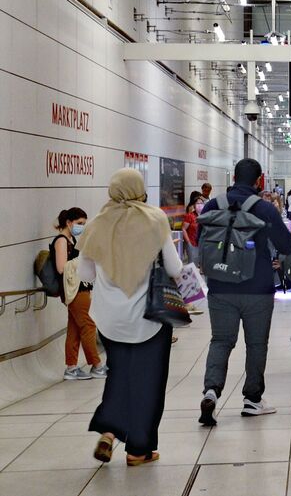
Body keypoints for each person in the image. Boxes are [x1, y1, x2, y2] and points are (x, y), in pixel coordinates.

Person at [76, 168, 182, 467]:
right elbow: (173, 268)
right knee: (148, 383)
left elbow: (85, 273)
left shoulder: (96, 224)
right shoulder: (154, 219)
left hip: (110, 320)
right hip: (149, 318)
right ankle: (138, 450)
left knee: (119, 375)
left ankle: (108, 432)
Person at [198, 158, 291, 425]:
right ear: (259, 180)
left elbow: (200, 243)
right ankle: (252, 399)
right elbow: (285, 246)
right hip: (258, 289)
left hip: (219, 288)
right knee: (256, 344)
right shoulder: (264, 208)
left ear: (232, 179)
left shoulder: (212, 205)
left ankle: (211, 392)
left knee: (220, 341)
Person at [53, 208, 106, 380]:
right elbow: (61, 267)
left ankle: (71, 367)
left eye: (84, 224)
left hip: (79, 287)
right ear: (69, 223)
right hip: (75, 290)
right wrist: (83, 259)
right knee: (88, 325)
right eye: (79, 224)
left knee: (74, 329)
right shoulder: (61, 241)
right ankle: (96, 365)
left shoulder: (71, 239)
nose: (82, 227)